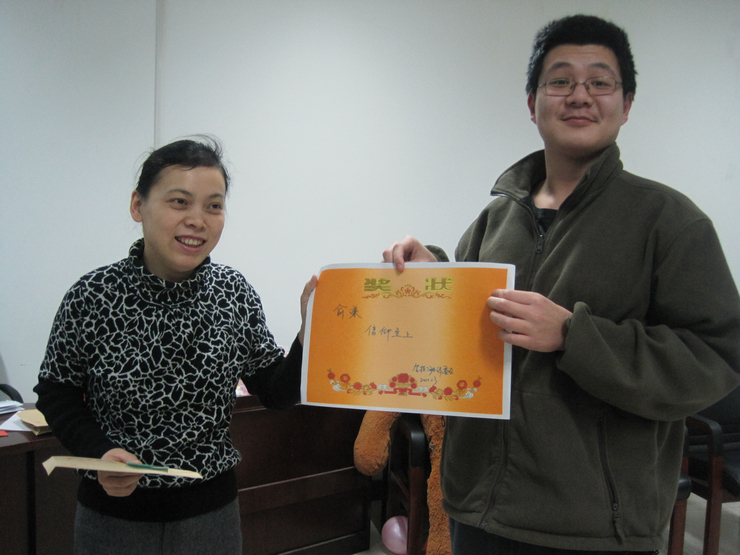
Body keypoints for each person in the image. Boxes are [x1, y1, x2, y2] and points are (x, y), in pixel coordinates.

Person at [383, 14, 740, 555]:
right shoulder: (495, 220)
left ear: (626, 104)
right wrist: (431, 273)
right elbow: (465, 330)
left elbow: (716, 357)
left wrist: (575, 336)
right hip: (478, 507)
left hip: (595, 526)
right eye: (560, 80)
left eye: (600, 81)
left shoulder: (669, 221)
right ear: (533, 103)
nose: (579, 95)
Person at [34, 136, 317, 555]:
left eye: (214, 205)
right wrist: (100, 452)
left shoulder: (233, 293)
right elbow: (56, 392)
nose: (197, 220)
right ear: (138, 205)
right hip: (112, 518)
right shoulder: (93, 295)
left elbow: (276, 393)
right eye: (179, 202)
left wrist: (308, 333)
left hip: (210, 518)